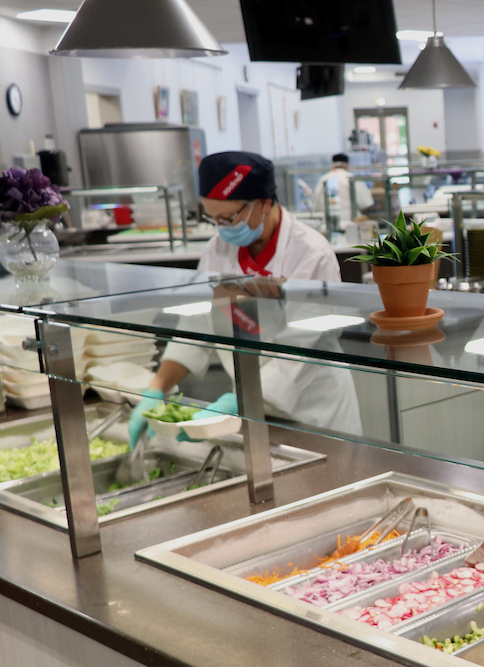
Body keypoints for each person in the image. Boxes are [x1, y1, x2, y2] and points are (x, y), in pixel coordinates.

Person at [128, 151, 363, 446]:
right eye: (214, 219)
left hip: (314, 411)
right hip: (249, 405)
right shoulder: (217, 250)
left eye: (229, 217)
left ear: (265, 202)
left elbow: (303, 350)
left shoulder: (310, 254)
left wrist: (238, 401)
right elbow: (197, 325)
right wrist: (157, 387)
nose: (222, 228)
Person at [312, 153, 375, 231]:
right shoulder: (351, 178)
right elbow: (367, 203)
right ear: (347, 165)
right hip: (352, 224)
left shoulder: (324, 179)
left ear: (332, 165)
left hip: (329, 225)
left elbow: (316, 206)